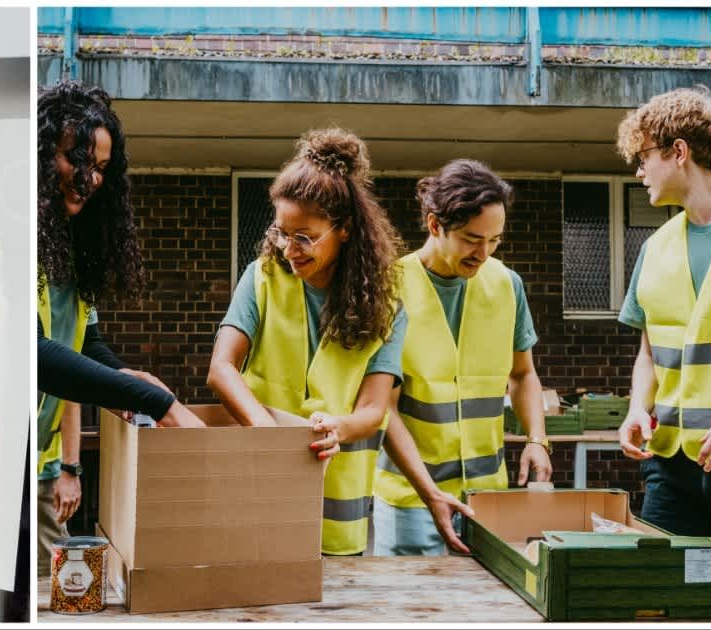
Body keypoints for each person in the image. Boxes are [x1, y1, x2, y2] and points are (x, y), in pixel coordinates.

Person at [208, 128, 406, 556]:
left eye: (306, 236)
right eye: (281, 232)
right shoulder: (261, 277)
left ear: (346, 230)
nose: (289, 248)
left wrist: (339, 428)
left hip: (340, 511)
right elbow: (221, 369)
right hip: (260, 493)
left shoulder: (386, 307)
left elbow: (374, 409)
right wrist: (269, 438)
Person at [35, 80, 204, 576]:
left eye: (101, 168)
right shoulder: (12, 233)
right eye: (76, 159)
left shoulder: (66, 245)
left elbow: (83, 341)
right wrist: (151, 400)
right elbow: (33, 352)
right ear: (42, 151)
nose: (88, 178)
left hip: (35, 461)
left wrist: (129, 377)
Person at [374, 159, 553, 556]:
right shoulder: (388, 289)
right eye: (473, 239)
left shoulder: (508, 284)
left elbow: (523, 375)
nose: (484, 253)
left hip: (486, 499)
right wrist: (428, 492)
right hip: (411, 501)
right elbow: (382, 408)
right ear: (435, 225)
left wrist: (537, 440)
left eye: (494, 240)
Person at [614, 87, 711, 537]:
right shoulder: (654, 248)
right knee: (659, 597)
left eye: (643, 157)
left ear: (678, 152)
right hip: (671, 464)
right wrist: (638, 406)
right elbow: (649, 353)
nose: (639, 172)